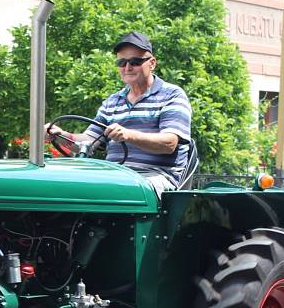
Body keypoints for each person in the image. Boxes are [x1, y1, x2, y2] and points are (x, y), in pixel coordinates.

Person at [46, 31, 193, 196]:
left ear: (152, 63)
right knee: (60, 186)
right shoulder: (113, 102)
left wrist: (129, 135)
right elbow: (88, 142)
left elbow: (169, 143)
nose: (128, 67)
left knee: (108, 191)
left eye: (135, 62)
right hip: (115, 176)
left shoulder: (171, 95)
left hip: (155, 179)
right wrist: (59, 134)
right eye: (122, 62)